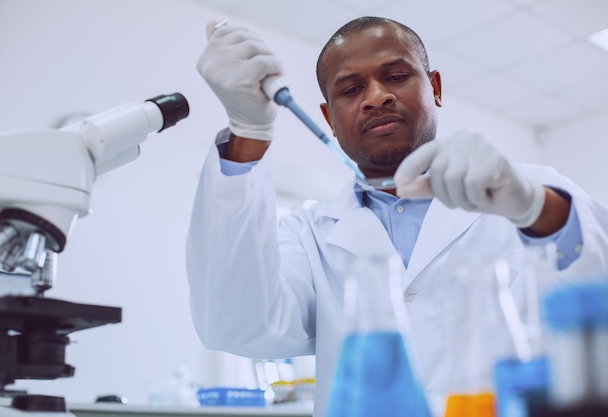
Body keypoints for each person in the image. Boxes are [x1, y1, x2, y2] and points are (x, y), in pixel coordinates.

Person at [187, 16, 608, 417]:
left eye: (396, 76)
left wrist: (534, 208)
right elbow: (234, 323)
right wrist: (248, 133)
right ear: (329, 119)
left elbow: (595, 281)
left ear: (435, 87)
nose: (376, 97)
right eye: (350, 90)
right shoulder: (308, 234)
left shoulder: (528, 190)